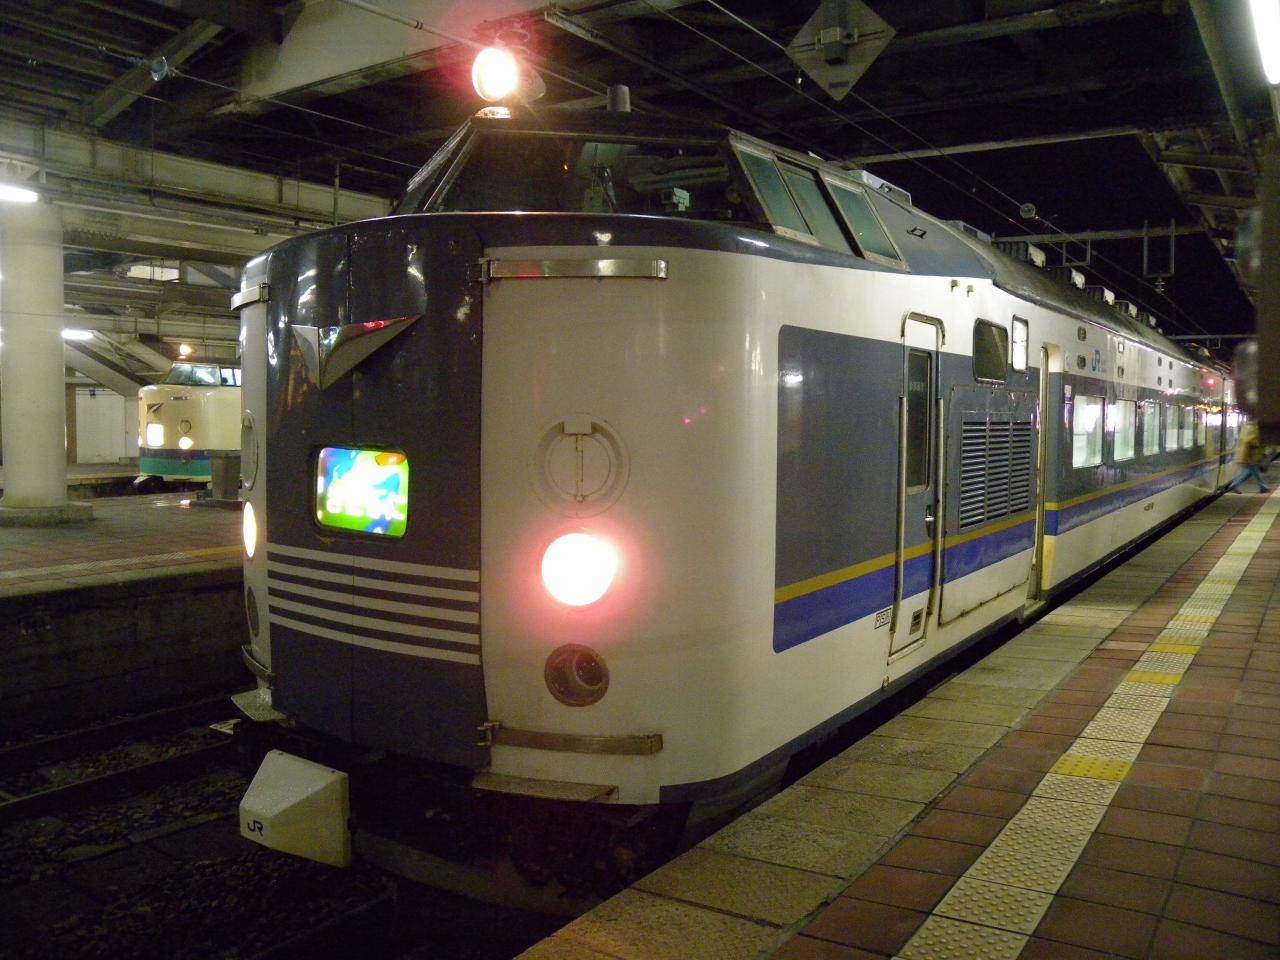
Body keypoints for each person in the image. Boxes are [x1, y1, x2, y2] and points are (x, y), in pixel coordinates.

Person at [1226, 421, 1270, 493]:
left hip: (1247, 454)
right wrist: (1258, 444)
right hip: (1250, 455)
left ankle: (1263, 486)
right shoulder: (1253, 428)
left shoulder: (1246, 427)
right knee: (1250, 471)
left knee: (1252, 471)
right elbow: (1250, 441)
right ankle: (1234, 485)